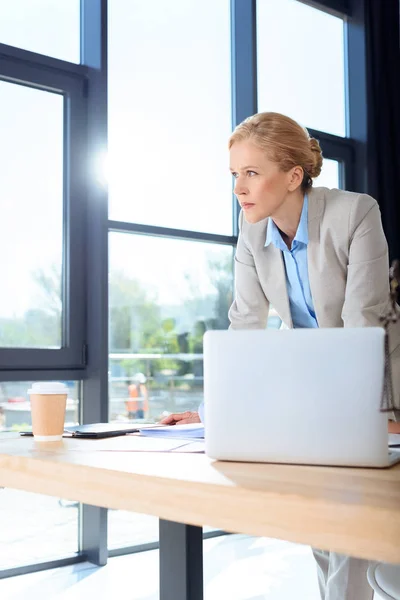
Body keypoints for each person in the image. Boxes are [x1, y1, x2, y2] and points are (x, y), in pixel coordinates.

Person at [160, 111, 400, 599]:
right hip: (316, 398)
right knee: (325, 527)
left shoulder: (355, 213)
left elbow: (364, 321)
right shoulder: (252, 237)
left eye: (251, 173)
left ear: (294, 176)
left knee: (351, 525)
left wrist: (372, 412)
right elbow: (244, 327)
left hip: (377, 386)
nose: (238, 187)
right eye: (234, 174)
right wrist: (213, 413)